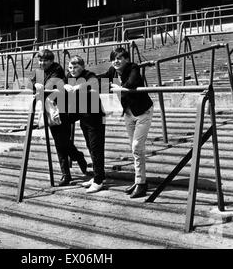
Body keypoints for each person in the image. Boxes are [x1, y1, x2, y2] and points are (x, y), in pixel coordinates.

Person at [100, 47, 153, 198]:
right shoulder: (112, 71)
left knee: (137, 146)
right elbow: (101, 78)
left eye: (119, 58)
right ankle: (139, 181)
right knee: (134, 149)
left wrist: (120, 88)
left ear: (127, 59)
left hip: (143, 112)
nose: (116, 61)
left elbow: (132, 82)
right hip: (129, 114)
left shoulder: (133, 67)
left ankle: (141, 183)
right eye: (113, 58)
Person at [31, 49, 88, 187]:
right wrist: (35, 86)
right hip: (50, 109)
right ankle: (71, 166)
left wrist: (40, 87)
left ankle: (73, 163)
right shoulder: (38, 71)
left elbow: (52, 86)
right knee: (59, 142)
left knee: (62, 141)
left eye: (45, 60)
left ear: (51, 61)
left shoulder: (57, 69)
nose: (42, 63)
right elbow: (32, 85)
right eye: (40, 60)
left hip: (63, 109)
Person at [64, 55, 106, 194]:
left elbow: (95, 83)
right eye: (70, 67)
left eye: (76, 67)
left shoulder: (89, 75)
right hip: (84, 118)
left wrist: (77, 87)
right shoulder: (70, 77)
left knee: (96, 148)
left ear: (82, 66)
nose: (73, 70)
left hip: (95, 117)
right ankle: (97, 176)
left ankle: (99, 181)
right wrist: (65, 85)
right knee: (91, 147)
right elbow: (60, 83)